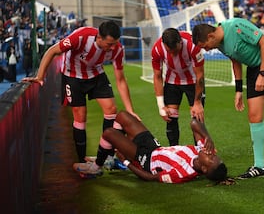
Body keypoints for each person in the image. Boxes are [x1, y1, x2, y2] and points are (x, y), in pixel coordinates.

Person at [192, 18, 264, 181]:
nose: (206, 50)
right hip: (254, 68)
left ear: (211, 36)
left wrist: (263, 74)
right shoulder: (219, 43)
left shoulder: (236, 26)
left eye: (205, 46)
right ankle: (259, 166)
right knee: (254, 116)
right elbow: (235, 60)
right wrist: (238, 90)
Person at [22, 20, 140, 163]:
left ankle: (107, 157)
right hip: (72, 75)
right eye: (109, 44)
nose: (113, 47)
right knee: (80, 115)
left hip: (96, 74)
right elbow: (52, 51)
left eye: (115, 43)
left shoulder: (117, 49)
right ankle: (82, 161)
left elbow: (120, 79)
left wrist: (130, 110)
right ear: (99, 38)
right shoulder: (80, 37)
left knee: (111, 109)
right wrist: (40, 76)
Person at [73, 110, 228, 184]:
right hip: (154, 147)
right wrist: (208, 137)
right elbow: (194, 122)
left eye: (211, 157)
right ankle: (110, 159)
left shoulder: (181, 174)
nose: (211, 153)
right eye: (214, 155)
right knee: (122, 116)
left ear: (205, 169)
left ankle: (97, 166)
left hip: (146, 160)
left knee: (109, 133)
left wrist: (127, 162)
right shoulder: (204, 150)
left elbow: (151, 178)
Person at [151, 28, 205, 146]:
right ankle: (174, 150)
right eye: (169, 51)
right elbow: (157, 76)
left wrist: (197, 102)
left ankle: (200, 151)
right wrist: (161, 105)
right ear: (164, 45)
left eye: (175, 51)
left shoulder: (193, 45)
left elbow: (200, 75)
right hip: (172, 82)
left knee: (197, 118)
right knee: (171, 118)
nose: (172, 54)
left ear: (180, 42)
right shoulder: (157, 49)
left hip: (193, 82)